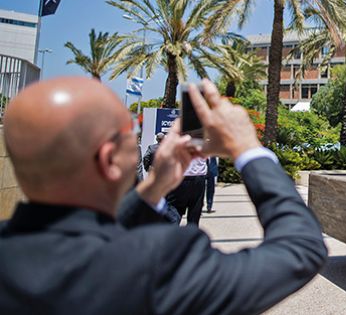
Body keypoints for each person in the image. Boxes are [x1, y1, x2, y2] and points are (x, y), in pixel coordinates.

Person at [0, 77, 327, 314]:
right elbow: (300, 249)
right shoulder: (155, 263)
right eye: (131, 132)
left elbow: (90, 239)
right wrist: (248, 149)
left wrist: (155, 185)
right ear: (109, 158)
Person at [167, 155, 207, 225]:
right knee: (194, 212)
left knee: (173, 207)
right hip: (199, 176)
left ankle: (174, 229)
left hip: (180, 175)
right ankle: (191, 233)